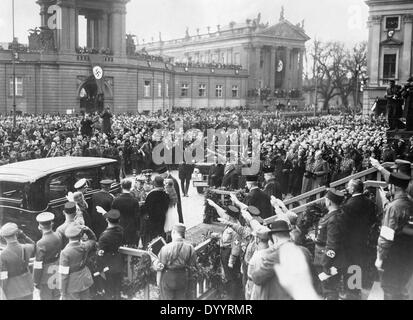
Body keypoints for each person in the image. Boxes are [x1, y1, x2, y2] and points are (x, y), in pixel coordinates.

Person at [248, 219, 313, 300]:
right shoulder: (305, 251)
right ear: (288, 235)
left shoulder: (274, 256)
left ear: (274, 238)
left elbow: (256, 278)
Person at [376, 172, 413, 300]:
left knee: (389, 288)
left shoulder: (393, 207)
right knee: (401, 289)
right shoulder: (410, 203)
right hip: (408, 255)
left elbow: (386, 236)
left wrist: (380, 258)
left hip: (393, 256)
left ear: (393, 187)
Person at [342, 179, 377, 299]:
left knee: (351, 265)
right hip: (364, 239)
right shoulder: (370, 203)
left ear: (353, 189)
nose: (347, 188)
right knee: (359, 264)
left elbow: (344, 225)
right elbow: (373, 221)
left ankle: (351, 292)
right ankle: (356, 289)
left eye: (349, 186)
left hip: (350, 241)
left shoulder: (348, 205)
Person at [314, 189, 346, 300]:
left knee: (329, 289)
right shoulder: (334, 215)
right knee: (326, 288)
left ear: (329, 202)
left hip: (326, 260)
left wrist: (326, 264)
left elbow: (332, 245)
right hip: (323, 257)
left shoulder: (334, 218)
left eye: (325, 199)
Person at [156, 223, 197, 300]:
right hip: (182, 277)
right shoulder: (190, 248)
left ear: (174, 232)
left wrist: (158, 282)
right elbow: (192, 265)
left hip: (168, 277)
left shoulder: (165, 248)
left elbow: (160, 267)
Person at [59, 224, 97, 300]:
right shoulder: (85, 246)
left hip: (72, 284)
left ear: (68, 237)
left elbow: (64, 275)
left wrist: (63, 292)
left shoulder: (65, 253)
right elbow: (93, 239)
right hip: (85, 279)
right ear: (80, 235)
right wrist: (88, 230)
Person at [0, 223, 35, 300]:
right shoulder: (27, 248)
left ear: (3, 237)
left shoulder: (2, 255)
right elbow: (33, 244)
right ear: (17, 234)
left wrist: (3, 294)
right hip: (28, 287)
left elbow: (4, 278)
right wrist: (24, 236)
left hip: (13, 292)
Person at [33, 212, 62, 300]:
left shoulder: (41, 243)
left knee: (46, 297)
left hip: (46, 275)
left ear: (40, 226)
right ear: (51, 224)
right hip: (57, 269)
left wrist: (35, 281)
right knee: (57, 295)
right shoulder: (58, 235)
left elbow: (38, 265)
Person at [97, 209, 124, 300]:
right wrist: (105, 213)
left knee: (108, 290)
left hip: (108, 265)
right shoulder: (120, 230)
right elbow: (113, 222)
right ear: (119, 220)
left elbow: (100, 254)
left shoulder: (104, 236)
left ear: (107, 220)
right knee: (117, 289)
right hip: (118, 261)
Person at [112, 179, 140, 246]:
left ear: (121, 186)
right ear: (130, 187)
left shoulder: (116, 200)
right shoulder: (134, 200)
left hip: (119, 225)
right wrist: (138, 229)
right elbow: (137, 216)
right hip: (131, 226)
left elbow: (113, 215)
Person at [144, 176, 170, 242]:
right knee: (161, 233)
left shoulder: (151, 195)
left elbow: (146, 207)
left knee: (153, 236)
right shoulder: (166, 194)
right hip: (162, 217)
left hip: (152, 219)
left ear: (155, 184)